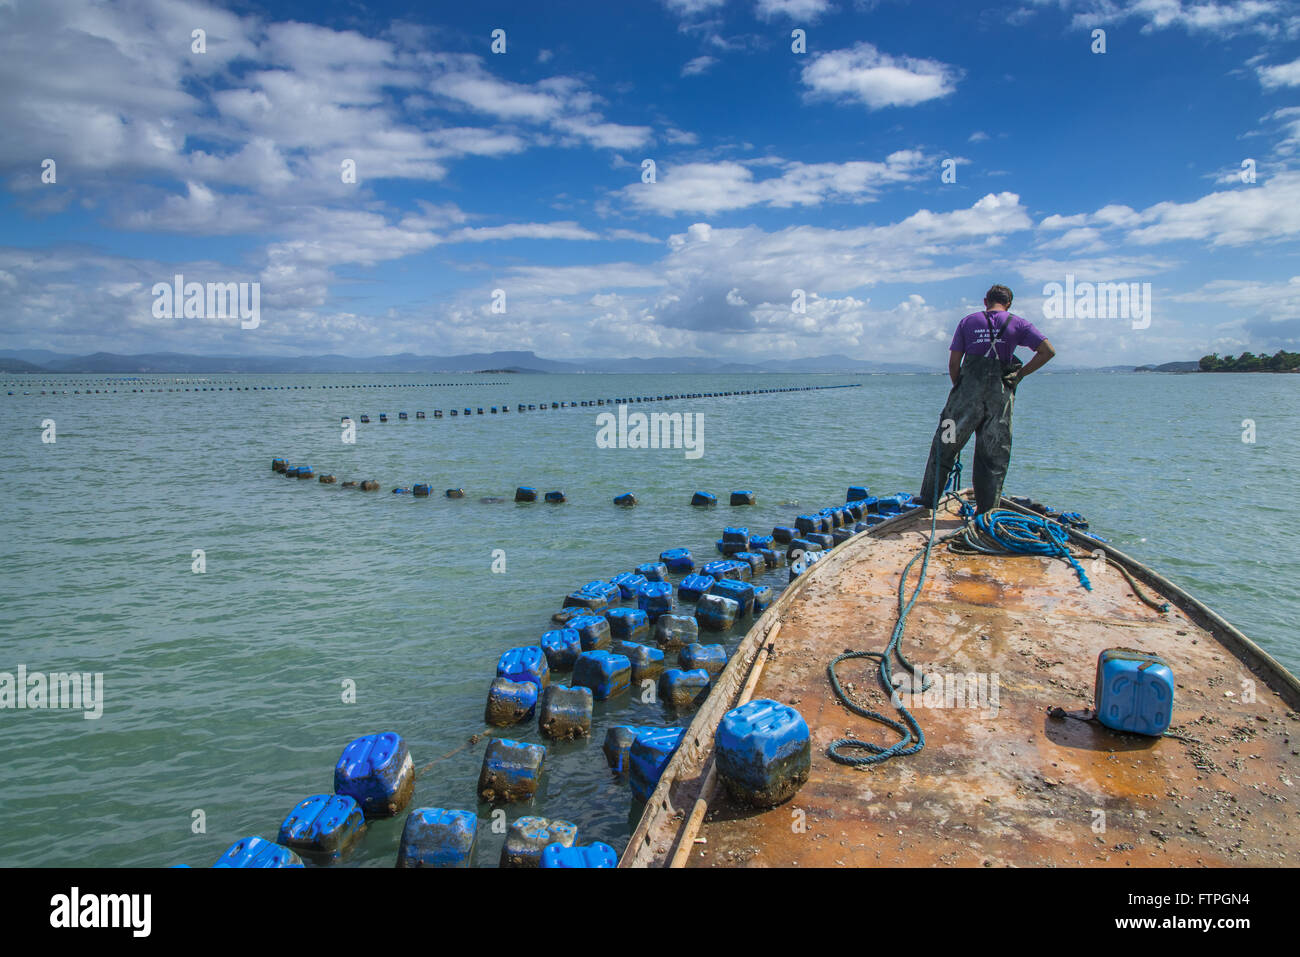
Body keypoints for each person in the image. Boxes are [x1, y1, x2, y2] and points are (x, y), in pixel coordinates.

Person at [918, 284, 1055, 513]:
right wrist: (1020, 375)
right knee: (993, 454)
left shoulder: (968, 322)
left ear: (985, 301)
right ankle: (986, 511)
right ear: (1009, 304)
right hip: (999, 399)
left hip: (964, 399)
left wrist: (961, 390)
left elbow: (953, 364)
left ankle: (928, 500)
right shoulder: (1019, 323)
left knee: (945, 443)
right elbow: (1047, 351)